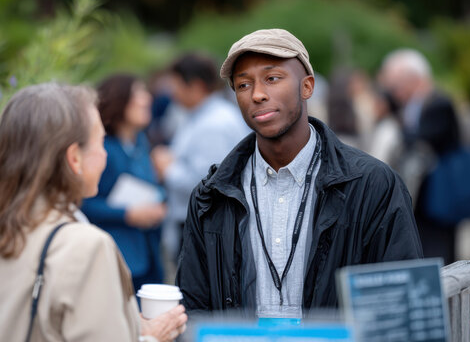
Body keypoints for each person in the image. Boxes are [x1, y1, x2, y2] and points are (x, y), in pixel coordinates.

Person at [175, 29, 423, 318]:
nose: (257, 94)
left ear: (307, 87)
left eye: (272, 78)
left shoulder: (372, 184)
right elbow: (193, 308)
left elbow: (400, 305)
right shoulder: (212, 196)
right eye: (243, 85)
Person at [0, 83, 186, 341]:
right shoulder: (86, 248)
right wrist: (151, 338)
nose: (105, 154)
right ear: (74, 158)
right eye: (100, 141)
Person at [151, 52, 251, 262]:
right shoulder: (201, 115)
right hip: (198, 223)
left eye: (176, 86)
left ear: (195, 86)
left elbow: (206, 183)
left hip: (204, 227)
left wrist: (167, 168)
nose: (173, 93)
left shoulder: (213, 124)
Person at [81, 74, 166, 292]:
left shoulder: (140, 142)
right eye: (138, 93)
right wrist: (127, 214)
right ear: (119, 100)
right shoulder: (103, 150)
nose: (146, 99)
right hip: (116, 258)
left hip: (147, 253)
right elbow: (83, 203)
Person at [379, 49, 464, 264]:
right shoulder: (414, 105)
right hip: (426, 194)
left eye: (397, 85)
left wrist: (394, 121)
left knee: (440, 248)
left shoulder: (439, 104)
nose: (395, 92)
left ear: (413, 79)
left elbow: (420, 138)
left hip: (441, 191)